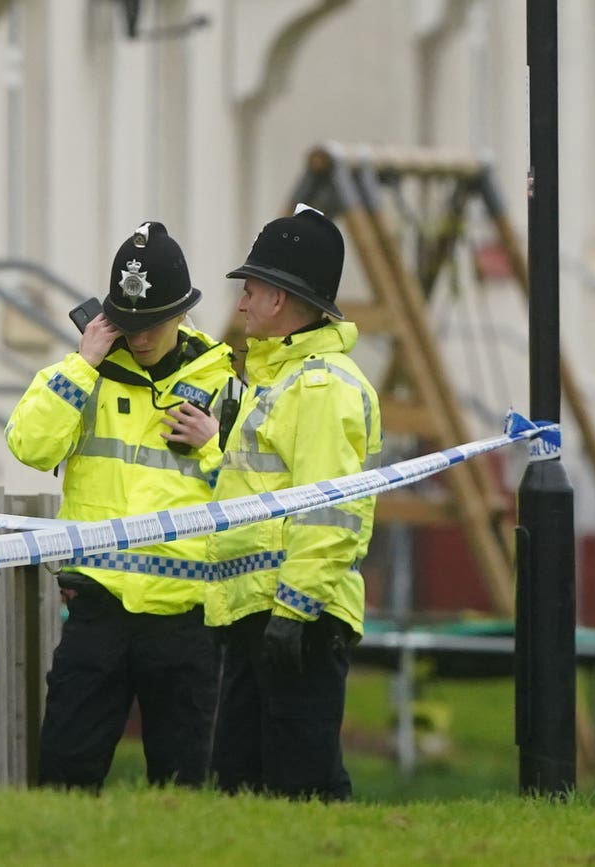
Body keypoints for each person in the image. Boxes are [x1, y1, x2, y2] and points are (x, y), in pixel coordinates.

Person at [6, 222, 237, 791]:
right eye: (127, 324)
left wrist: (214, 447)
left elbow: (258, 495)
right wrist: (82, 366)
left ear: (182, 313)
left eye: (151, 324)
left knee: (183, 788)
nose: (138, 338)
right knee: (63, 776)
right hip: (98, 610)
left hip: (186, 617)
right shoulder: (87, 375)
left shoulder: (226, 386)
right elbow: (30, 447)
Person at [203, 205, 378, 801]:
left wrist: (295, 611)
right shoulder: (277, 379)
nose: (242, 304)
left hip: (295, 618)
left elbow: (332, 511)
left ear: (278, 300)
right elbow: (255, 489)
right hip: (260, 612)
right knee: (244, 788)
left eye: (250, 291)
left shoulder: (322, 388)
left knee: (303, 790)